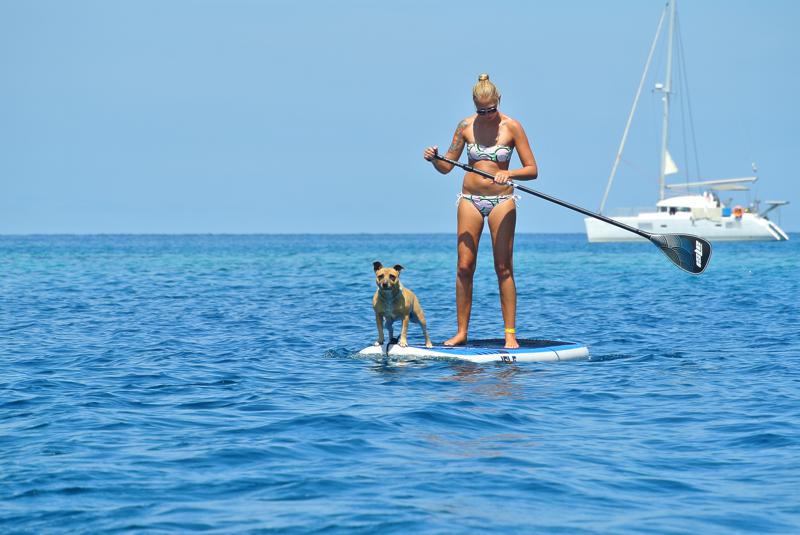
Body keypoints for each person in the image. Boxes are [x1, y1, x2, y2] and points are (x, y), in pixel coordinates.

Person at [423, 74, 538, 349]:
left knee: (503, 267)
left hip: (502, 201)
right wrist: (434, 159)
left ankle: (510, 334)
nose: (486, 115)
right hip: (470, 200)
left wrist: (509, 173)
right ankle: (461, 332)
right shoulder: (465, 126)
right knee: (464, 266)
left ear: (499, 101)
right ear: (475, 105)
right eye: (481, 110)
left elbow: (532, 170)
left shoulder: (512, 127)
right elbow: (447, 167)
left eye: (491, 109)